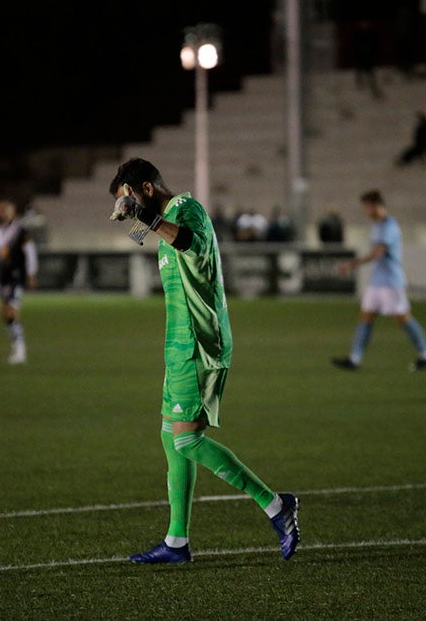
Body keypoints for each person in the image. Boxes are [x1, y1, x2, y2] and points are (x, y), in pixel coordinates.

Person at [108, 157, 299, 564]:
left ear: (144, 189)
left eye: (127, 197)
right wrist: (136, 217)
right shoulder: (160, 223)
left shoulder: (185, 210)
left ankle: (275, 505)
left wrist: (140, 213)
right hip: (178, 345)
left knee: (187, 439)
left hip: (198, 342)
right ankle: (177, 542)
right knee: (170, 436)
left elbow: (191, 244)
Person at [332, 190, 426, 372]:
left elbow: (378, 252)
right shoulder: (377, 226)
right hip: (377, 282)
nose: (365, 211)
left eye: (366, 207)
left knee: (403, 318)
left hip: (391, 282)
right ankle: (354, 359)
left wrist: (351, 265)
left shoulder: (390, 226)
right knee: (365, 316)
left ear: (374, 205)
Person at [0, 199, 39, 364]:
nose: (1, 213)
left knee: (11, 311)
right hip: (4, 275)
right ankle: (16, 348)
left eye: (4, 210)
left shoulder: (21, 231)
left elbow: (30, 252)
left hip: (17, 275)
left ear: (11, 211)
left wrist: (31, 274)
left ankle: (20, 350)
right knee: (6, 313)